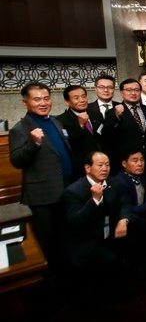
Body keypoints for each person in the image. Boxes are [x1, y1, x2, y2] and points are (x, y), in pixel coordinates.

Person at [9, 82, 77, 269]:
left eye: (46, 98)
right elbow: (16, 160)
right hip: (43, 195)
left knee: (66, 235)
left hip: (66, 188)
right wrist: (34, 143)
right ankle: (52, 278)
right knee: (49, 241)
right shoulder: (20, 128)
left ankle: (68, 273)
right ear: (26, 102)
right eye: (37, 99)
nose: (43, 102)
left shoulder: (55, 121)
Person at [62, 151, 130, 275]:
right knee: (112, 261)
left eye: (107, 165)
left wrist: (123, 220)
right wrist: (95, 200)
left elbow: (124, 203)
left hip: (111, 233)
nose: (105, 169)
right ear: (88, 168)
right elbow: (75, 222)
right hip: (88, 241)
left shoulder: (114, 183)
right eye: (100, 165)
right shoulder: (73, 191)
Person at [102, 79, 146, 183]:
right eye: (129, 90)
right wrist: (116, 117)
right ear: (122, 92)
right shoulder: (113, 112)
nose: (133, 93)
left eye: (136, 90)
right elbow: (107, 135)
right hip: (128, 165)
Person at [56, 85, 102, 163]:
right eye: (76, 98)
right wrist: (80, 126)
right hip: (81, 164)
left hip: (101, 160)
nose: (82, 100)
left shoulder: (95, 114)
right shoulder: (61, 120)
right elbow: (69, 145)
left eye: (83, 96)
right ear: (67, 102)